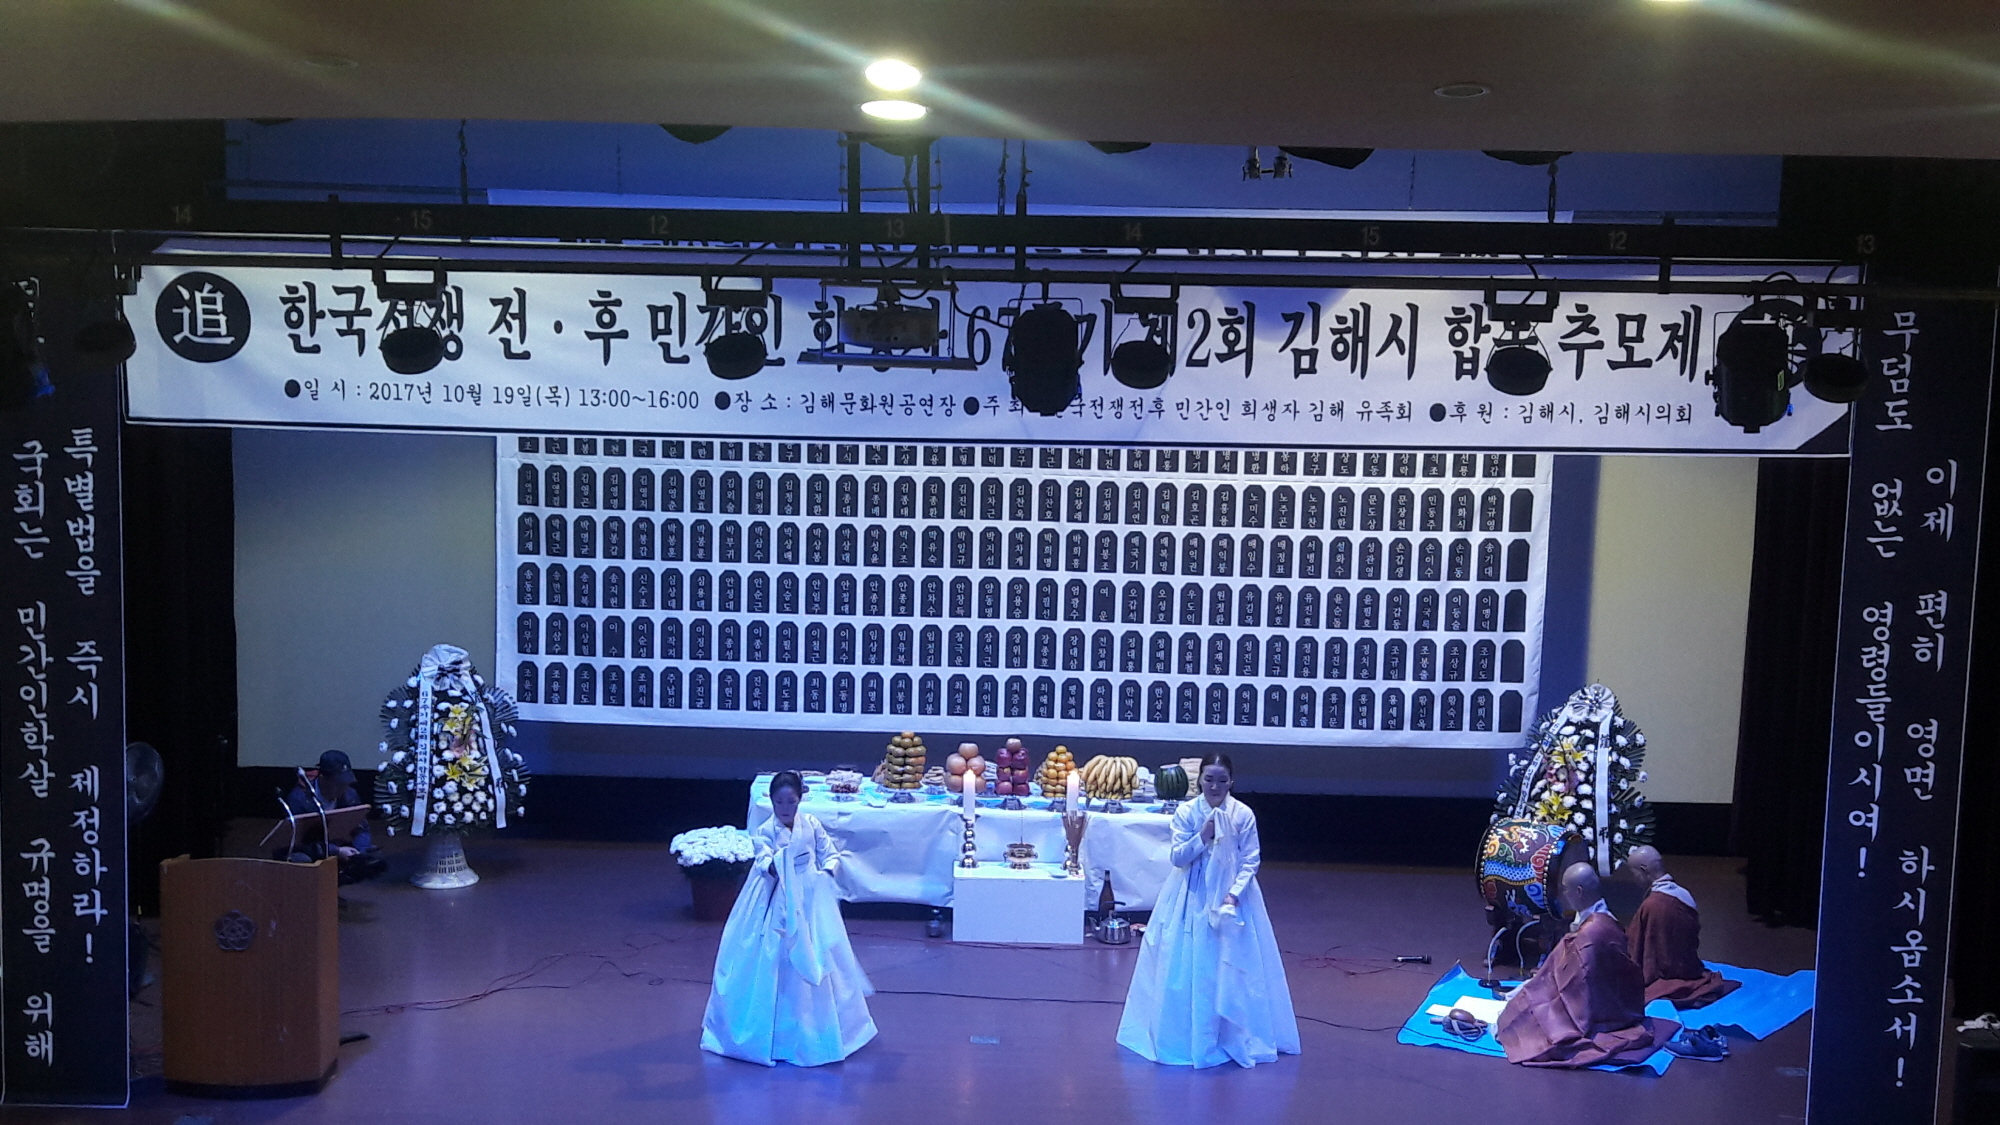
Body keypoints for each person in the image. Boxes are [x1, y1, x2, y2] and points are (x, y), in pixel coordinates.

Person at [1117, 752, 1300, 1069]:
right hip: (1192, 893)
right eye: (1209, 779)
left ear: (1231, 782)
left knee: (1234, 959)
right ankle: (1188, 1034)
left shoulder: (1243, 814)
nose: (1215, 786)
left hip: (1231, 896)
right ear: (1200, 780)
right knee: (1189, 959)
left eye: (1222, 780)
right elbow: (1178, 857)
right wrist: (1203, 837)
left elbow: (1250, 860)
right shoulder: (1187, 812)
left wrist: (1234, 895)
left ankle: (1233, 1032)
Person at [701, 771, 877, 1066]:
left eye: (791, 801)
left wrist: (825, 873)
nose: (785, 808)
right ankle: (771, 1033)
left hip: (808, 897)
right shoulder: (765, 830)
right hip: (776, 897)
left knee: (818, 953)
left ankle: (815, 1029)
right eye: (779, 802)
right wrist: (779, 865)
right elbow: (763, 861)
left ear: (800, 800)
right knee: (772, 956)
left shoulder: (811, 824)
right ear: (772, 802)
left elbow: (830, 853)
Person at [1495, 861, 1678, 1068]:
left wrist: (1545, 980)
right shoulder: (1605, 918)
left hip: (1601, 1009)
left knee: (1525, 1017)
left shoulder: (1590, 933)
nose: (1563, 895)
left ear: (1579, 892)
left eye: (1566, 889)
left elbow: (1575, 985)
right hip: (1620, 999)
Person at [1620, 845, 1739, 1009]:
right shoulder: (1682, 893)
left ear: (1643, 870)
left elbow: (1642, 945)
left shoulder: (1654, 904)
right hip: (1688, 963)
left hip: (1672, 970)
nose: (1634, 879)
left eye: (1634, 874)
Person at [279, 751, 386, 884]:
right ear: (323, 778)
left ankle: (332, 885)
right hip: (307, 848)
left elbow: (361, 828)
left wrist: (360, 852)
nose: (344, 788)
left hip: (334, 844)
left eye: (346, 783)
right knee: (302, 862)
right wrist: (336, 851)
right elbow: (296, 842)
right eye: (338, 783)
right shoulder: (299, 799)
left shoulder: (350, 795)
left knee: (374, 859)